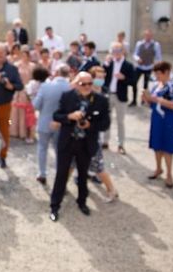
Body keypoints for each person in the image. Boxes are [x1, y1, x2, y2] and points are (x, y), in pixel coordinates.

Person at [49, 72, 110, 221]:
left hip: (86, 144)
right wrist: (69, 117)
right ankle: (54, 206)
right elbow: (56, 115)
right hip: (67, 143)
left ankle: (82, 202)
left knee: (83, 175)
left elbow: (105, 124)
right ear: (76, 84)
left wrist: (91, 125)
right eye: (84, 84)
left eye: (90, 83)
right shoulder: (67, 96)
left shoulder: (101, 100)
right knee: (61, 175)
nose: (88, 87)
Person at [143, 61, 173, 188]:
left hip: (169, 119)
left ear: (166, 72)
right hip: (157, 119)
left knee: (168, 147)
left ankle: (169, 174)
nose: (157, 76)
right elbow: (152, 104)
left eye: (159, 74)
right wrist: (146, 99)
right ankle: (158, 168)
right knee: (157, 145)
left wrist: (156, 99)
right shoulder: (156, 85)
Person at [33, 65, 70, 185]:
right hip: (62, 124)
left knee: (42, 148)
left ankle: (42, 173)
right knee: (60, 151)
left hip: (45, 122)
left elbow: (36, 105)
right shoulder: (70, 87)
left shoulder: (46, 86)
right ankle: (60, 175)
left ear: (57, 72)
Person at [89, 66, 120, 201]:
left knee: (97, 163)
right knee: (75, 162)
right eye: (98, 77)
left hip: (96, 133)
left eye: (102, 77)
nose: (100, 80)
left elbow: (105, 117)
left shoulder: (105, 93)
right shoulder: (86, 91)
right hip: (87, 133)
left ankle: (111, 189)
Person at [102, 42, 134, 153]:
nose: (116, 53)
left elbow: (133, 81)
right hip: (109, 94)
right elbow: (101, 75)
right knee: (107, 119)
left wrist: (124, 78)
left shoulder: (128, 65)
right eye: (114, 51)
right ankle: (105, 141)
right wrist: (105, 64)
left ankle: (121, 144)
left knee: (120, 121)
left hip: (121, 96)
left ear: (123, 51)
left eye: (118, 51)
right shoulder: (109, 63)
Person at [131, 29, 162, 106]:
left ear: (151, 36)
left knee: (145, 85)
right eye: (146, 35)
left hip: (149, 67)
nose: (148, 37)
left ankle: (143, 100)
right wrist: (137, 59)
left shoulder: (156, 45)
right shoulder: (139, 43)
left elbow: (159, 57)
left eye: (149, 35)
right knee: (134, 83)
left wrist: (157, 65)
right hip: (139, 67)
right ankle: (134, 100)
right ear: (144, 36)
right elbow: (135, 54)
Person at [10, 49, 36, 143]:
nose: (24, 57)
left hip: (27, 90)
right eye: (23, 55)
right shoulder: (16, 65)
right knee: (14, 112)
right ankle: (13, 130)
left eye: (26, 55)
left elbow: (34, 79)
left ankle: (25, 132)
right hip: (18, 90)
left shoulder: (32, 66)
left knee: (26, 112)